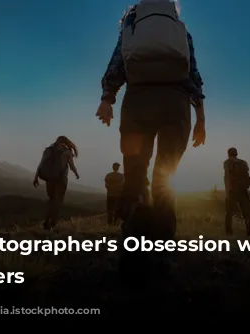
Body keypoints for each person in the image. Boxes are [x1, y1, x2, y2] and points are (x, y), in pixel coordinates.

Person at [96, 0, 206, 282]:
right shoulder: (181, 31)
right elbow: (193, 74)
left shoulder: (132, 26)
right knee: (164, 178)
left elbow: (117, 62)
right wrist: (200, 119)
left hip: (137, 104)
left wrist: (107, 99)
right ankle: (163, 254)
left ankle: (133, 255)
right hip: (176, 106)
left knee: (135, 176)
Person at [33, 136, 80, 231]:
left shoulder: (48, 150)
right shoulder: (67, 152)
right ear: (66, 142)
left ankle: (46, 221)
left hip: (50, 178)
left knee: (51, 199)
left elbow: (41, 164)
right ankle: (53, 223)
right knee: (58, 201)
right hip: (61, 179)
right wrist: (76, 174)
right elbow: (71, 166)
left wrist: (36, 178)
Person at [223, 147, 250, 237]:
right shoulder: (243, 162)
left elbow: (227, 177)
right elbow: (248, 176)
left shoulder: (227, 162)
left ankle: (228, 233)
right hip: (243, 190)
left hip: (232, 190)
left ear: (228, 154)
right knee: (247, 213)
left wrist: (227, 191)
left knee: (229, 213)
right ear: (236, 153)